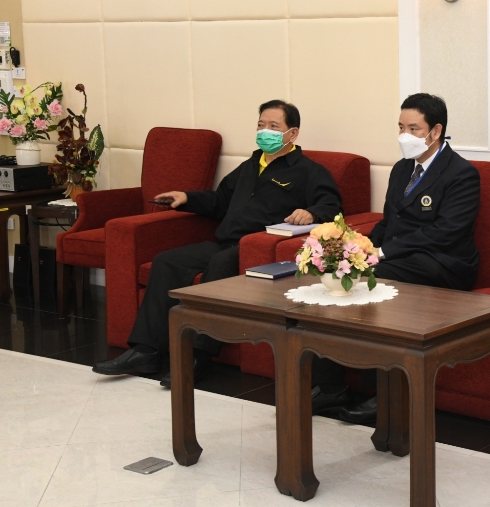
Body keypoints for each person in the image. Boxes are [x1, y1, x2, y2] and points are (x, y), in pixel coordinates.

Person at [92, 100, 343, 386]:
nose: (265, 132)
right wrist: (187, 198)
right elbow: (220, 201)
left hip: (257, 251)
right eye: (261, 125)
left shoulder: (309, 171)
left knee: (220, 264)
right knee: (167, 261)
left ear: (292, 133)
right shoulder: (250, 166)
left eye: (274, 127)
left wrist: (311, 212)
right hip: (224, 241)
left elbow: (333, 206)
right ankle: (145, 352)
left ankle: (199, 357)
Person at [311, 93, 481, 422]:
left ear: (436, 131)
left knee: (374, 280)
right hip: (402, 258)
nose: (405, 136)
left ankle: (386, 397)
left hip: (444, 263)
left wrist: (382, 253)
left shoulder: (461, 173)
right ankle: (330, 387)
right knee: (336, 273)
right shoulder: (402, 169)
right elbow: (389, 222)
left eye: (413, 129)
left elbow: (445, 232)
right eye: (401, 127)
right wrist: (359, 247)